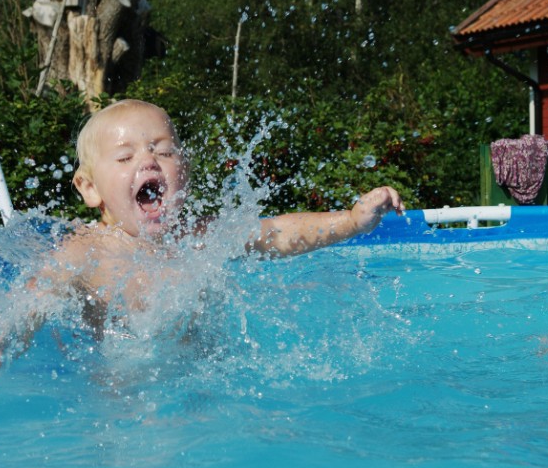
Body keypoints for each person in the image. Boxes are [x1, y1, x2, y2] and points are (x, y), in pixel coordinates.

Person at [30, 98, 404, 332]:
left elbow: (277, 233)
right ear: (90, 188)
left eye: (162, 151)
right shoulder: (87, 251)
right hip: (123, 390)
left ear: (185, 171)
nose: (148, 161)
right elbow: (40, 290)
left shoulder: (200, 234)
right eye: (126, 157)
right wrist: (12, 327)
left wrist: (352, 221)